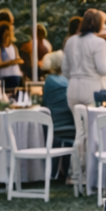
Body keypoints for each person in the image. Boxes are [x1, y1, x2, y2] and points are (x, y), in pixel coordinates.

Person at [63, 8, 106, 107]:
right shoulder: (99, 42)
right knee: (93, 121)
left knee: (77, 122)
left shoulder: (70, 41)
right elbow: (103, 70)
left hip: (72, 88)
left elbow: (65, 70)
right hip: (92, 89)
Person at [39, 51, 74, 181]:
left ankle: (53, 170)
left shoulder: (49, 81)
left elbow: (45, 104)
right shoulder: (68, 80)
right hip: (70, 123)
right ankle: (65, 169)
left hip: (55, 124)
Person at [0, 21, 24, 94]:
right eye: (5, 35)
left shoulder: (13, 47)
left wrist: (17, 61)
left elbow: (19, 59)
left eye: (9, 35)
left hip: (16, 75)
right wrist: (12, 62)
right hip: (5, 76)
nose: (7, 37)